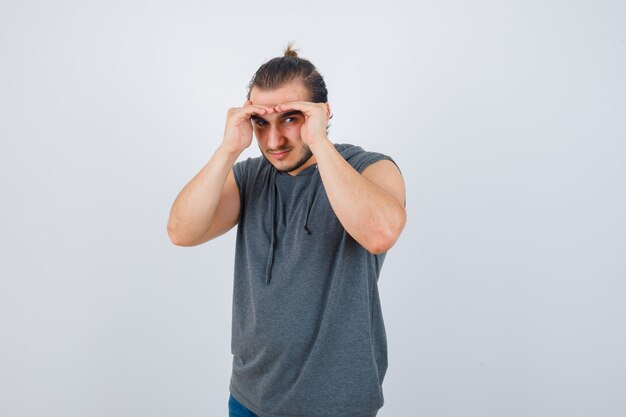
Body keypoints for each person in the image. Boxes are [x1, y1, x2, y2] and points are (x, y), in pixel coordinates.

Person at [167, 43, 406, 417]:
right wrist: (227, 151)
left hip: (336, 404)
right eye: (261, 122)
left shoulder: (368, 168)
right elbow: (182, 231)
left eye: (291, 119)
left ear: (322, 114)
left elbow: (379, 234)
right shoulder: (248, 178)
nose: (274, 141)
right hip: (250, 397)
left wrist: (319, 143)